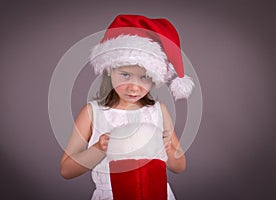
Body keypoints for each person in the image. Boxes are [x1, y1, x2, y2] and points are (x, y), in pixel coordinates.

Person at [60, 14, 194, 200]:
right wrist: (99, 148)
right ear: (109, 70)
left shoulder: (158, 111)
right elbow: (67, 170)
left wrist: (169, 148)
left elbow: (179, 166)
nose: (134, 86)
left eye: (144, 77)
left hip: (156, 194)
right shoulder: (93, 113)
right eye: (125, 75)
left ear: (154, 78)